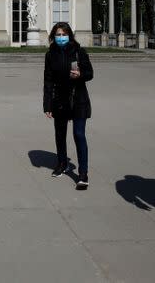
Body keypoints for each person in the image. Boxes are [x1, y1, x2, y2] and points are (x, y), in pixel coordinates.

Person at [42, 22, 94, 189]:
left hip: (78, 98)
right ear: (53, 36)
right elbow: (48, 80)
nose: (61, 38)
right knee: (60, 134)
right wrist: (47, 104)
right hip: (60, 99)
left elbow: (90, 73)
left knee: (79, 134)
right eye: (58, 34)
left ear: (70, 36)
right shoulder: (50, 55)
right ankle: (62, 163)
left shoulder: (79, 52)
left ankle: (83, 173)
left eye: (64, 34)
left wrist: (80, 74)